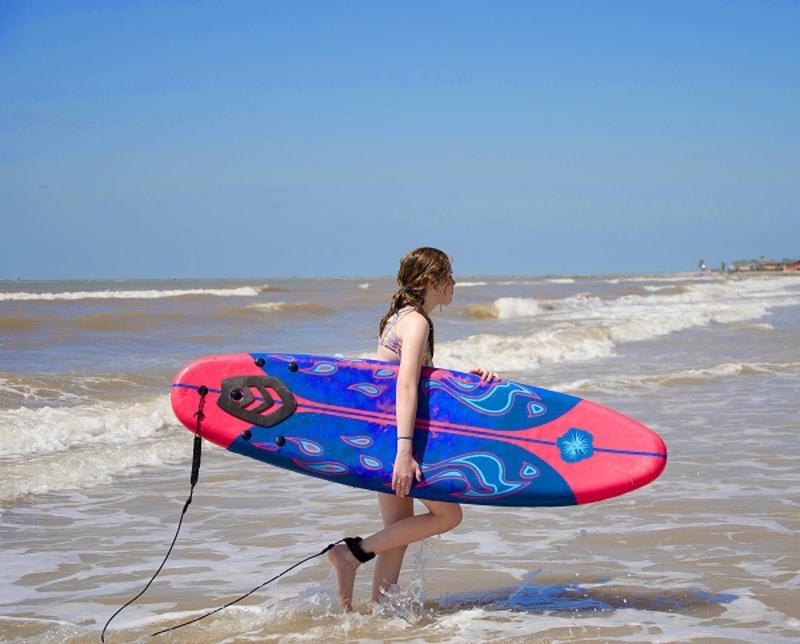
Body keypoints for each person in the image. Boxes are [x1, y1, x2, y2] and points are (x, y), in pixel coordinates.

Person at [327, 246, 499, 611]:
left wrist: (465, 385)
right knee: (449, 515)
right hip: (396, 441)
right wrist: (405, 452)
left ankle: (381, 613)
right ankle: (352, 553)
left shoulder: (401, 318)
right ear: (430, 282)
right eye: (449, 276)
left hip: (382, 435)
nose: (454, 283)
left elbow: (418, 382)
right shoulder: (417, 321)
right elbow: (405, 385)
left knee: (398, 531)